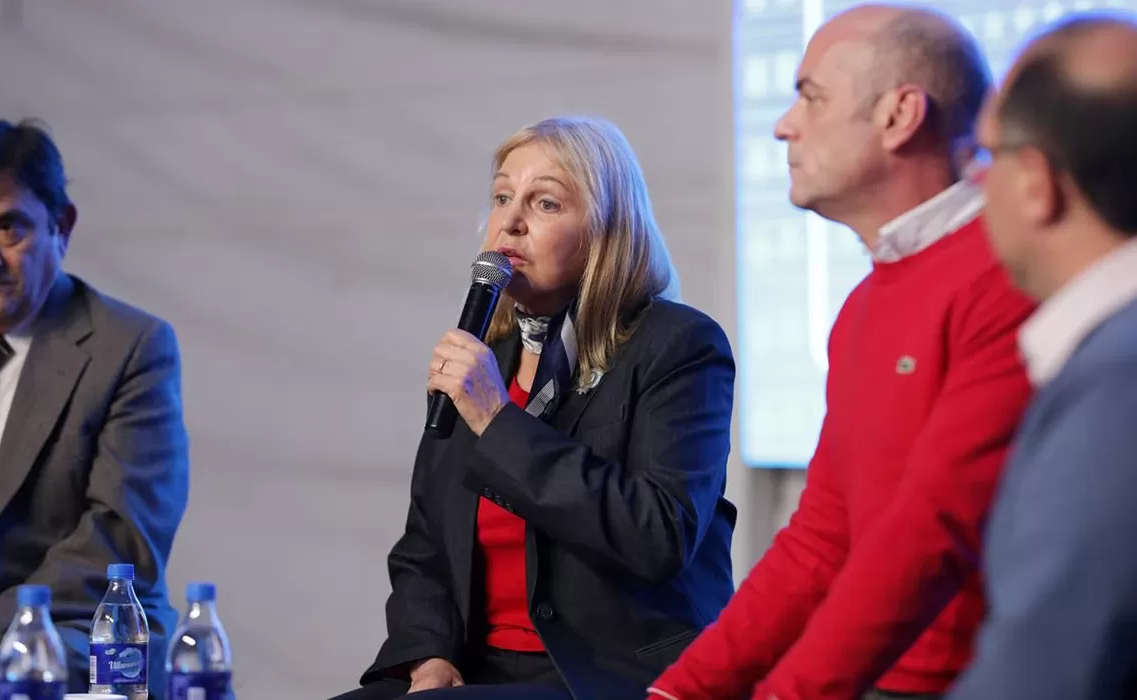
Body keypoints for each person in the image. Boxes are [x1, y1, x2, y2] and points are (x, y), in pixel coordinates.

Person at [649, 5, 1037, 700]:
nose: (782, 125)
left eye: (811, 96)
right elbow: (822, 540)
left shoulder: (1010, 274)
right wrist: (680, 690)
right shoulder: (865, 304)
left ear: (899, 115)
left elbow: (933, 530)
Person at [329, 116, 737, 700]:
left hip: (609, 673)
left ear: (606, 231)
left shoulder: (677, 347)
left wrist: (498, 423)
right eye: (501, 197)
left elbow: (657, 535)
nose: (510, 221)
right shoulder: (486, 359)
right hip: (478, 669)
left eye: (545, 203)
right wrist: (428, 654)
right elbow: (425, 546)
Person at [0, 119, 189, 695]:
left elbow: (121, 537)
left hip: (71, 629)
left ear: (62, 225)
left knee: (57, 659)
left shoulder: (130, 346)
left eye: (8, 228)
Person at [946, 12, 1137, 699]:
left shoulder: (1117, 384)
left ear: (1036, 183)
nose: (976, 184)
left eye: (988, 156)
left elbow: (1043, 671)